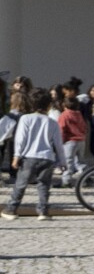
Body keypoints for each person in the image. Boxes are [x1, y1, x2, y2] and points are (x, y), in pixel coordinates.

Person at [3, 89, 60, 220]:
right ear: (49, 105)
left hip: (29, 156)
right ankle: (43, 211)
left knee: (21, 184)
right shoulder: (52, 122)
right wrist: (62, 161)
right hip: (47, 157)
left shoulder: (26, 118)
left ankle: (11, 209)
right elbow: (58, 144)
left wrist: (16, 156)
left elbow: (20, 139)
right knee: (44, 185)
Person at [57, 95, 90, 179]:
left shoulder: (64, 115)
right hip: (81, 140)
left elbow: (61, 129)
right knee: (80, 161)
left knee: (68, 162)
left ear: (64, 105)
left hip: (69, 141)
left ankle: (66, 181)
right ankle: (86, 178)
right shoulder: (79, 114)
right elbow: (84, 126)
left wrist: (61, 141)